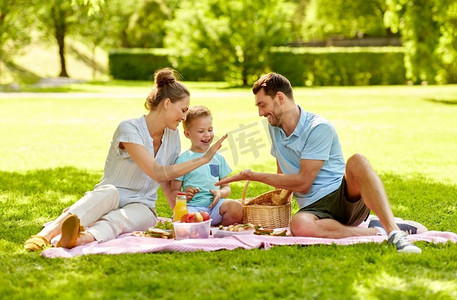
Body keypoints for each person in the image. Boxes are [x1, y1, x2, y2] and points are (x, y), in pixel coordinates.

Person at [216, 72, 422, 253]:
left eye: (263, 105)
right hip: (315, 209)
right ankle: (375, 230)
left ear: (280, 98)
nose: (260, 113)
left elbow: (304, 182)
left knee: (358, 160)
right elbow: (283, 177)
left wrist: (252, 176)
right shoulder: (273, 127)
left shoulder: (318, 127)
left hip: (342, 198)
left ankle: (394, 232)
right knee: (299, 225)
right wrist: (271, 201)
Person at [24, 68, 227, 251]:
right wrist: (204, 159)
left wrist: (180, 216)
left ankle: (78, 239)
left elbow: (166, 179)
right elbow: (157, 172)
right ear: (167, 104)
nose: (184, 117)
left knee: (128, 220)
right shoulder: (129, 128)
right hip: (111, 195)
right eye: (183, 110)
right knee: (108, 193)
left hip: (142, 205)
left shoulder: (172, 136)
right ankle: (45, 235)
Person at [170, 106, 243, 226]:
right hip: (192, 208)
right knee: (182, 218)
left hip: (215, 208)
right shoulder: (182, 160)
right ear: (187, 134)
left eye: (210, 130)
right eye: (201, 131)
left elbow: (226, 187)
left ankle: (218, 229)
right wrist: (184, 195)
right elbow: (174, 191)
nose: (207, 135)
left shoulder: (218, 158)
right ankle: (203, 227)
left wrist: (220, 193)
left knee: (236, 207)